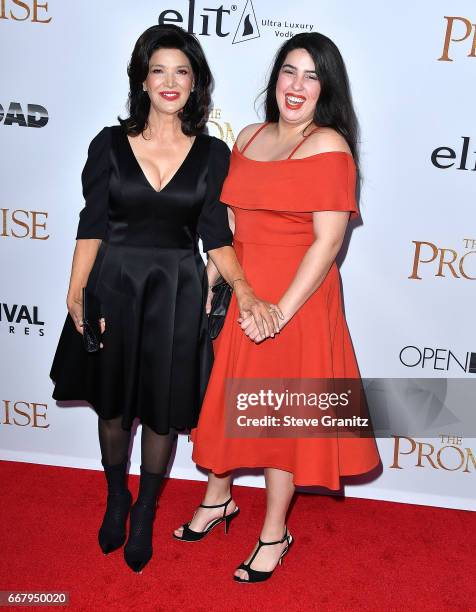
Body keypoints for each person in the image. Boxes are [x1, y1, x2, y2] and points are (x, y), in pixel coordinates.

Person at [50, 24, 278, 574]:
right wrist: (76, 290)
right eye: (159, 70)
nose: (170, 81)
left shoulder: (211, 153)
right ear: (143, 81)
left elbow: (214, 234)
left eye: (182, 71)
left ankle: (147, 509)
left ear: (196, 83)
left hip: (176, 290)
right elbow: (93, 223)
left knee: (158, 410)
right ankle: (116, 498)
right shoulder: (108, 143)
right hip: (114, 283)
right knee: (113, 406)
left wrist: (242, 288)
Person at [174, 32, 381, 583]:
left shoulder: (329, 147)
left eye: (312, 76)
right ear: (275, 79)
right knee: (226, 401)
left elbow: (327, 243)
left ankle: (274, 533)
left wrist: (280, 312)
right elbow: (233, 222)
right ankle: (218, 500)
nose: (297, 86)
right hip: (245, 292)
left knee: (277, 419)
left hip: (298, 300)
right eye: (290, 71)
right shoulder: (247, 136)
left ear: (326, 89)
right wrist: (215, 280)